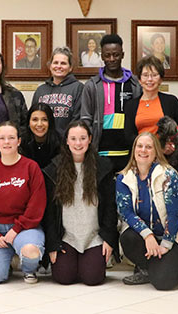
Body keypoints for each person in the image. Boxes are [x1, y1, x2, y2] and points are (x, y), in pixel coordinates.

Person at [116, 132, 178, 289]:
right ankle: (148, 269)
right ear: (134, 150)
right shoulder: (123, 178)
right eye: (139, 146)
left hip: (175, 234)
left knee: (163, 283)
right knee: (128, 239)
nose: (143, 150)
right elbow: (126, 212)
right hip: (148, 235)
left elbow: (175, 214)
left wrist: (165, 244)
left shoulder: (168, 176)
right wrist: (148, 236)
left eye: (148, 147)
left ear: (156, 152)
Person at [42, 120, 118, 286]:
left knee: (93, 278)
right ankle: (74, 262)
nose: (78, 143)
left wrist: (108, 239)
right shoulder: (53, 169)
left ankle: (84, 262)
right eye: (74, 138)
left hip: (93, 236)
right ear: (67, 141)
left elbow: (110, 207)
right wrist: (53, 243)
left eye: (82, 138)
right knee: (64, 278)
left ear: (89, 139)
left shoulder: (103, 167)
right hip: (66, 237)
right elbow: (49, 211)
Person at [0, 122, 46, 284]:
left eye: (11, 138)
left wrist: (16, 230)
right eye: (2, 138)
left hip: (24, 228)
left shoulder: (31, 167)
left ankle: (28, 269)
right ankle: (6, 259)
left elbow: (36, 206)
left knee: (30, 251)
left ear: (19, 141)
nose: (6, 142)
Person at [80, 34, 141, 172]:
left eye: (116, 55)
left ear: (122, 55)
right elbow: (85, 119)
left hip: (130, 154)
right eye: (107, 55)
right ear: (102, 56)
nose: (112, 59)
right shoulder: (92, 86)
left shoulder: (135, 84)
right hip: (100, 153)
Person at [124, 55, 178, 162]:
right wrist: (151, 148)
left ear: (160, 79)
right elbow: (128, 136)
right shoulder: (131, 105)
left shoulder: (171, 101)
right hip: (141, 160)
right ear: (139, 80)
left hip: (168, 161)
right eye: (145, 75)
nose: (150, 79)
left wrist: (173, 147)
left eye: (154, 75)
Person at [32, 46, 84, 139]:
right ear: (50, 66)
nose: (59, 66)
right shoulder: (41, 90)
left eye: (63, 63)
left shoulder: (78, 88)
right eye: (55, 62)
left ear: (70, 67)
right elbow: (33, 118)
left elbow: (78, 119)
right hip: (43, 143)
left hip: (67, 143)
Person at [21, 103, 61, 170]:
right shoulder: (21, 142)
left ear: (50, 122)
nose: (39, 124)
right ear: (28, 122)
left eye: (44, 120)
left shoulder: (60, 142)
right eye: (35, 120)